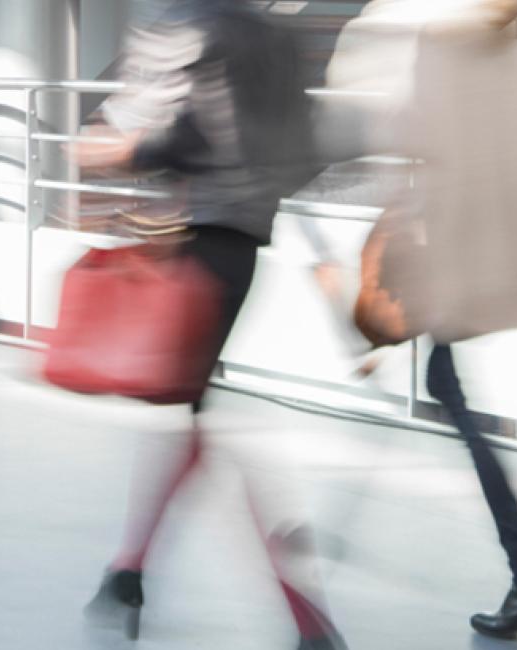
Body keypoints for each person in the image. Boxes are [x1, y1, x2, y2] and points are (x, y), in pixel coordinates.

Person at [74, 1, 338, 648]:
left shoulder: (186, 28)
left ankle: (303, 611)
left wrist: (110, 149)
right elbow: (308, 153)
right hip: (241, 246)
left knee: (200, 425)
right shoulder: (275, 35)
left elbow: (171, 136)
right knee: (191, 417)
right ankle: (128, 570)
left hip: (194, 246)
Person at [323, 0, 517, 642]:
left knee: (454, 398)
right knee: (451, 393)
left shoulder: (436, 36)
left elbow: (406, 129)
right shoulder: (471, 36)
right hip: (471, 237)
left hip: (454, 242)